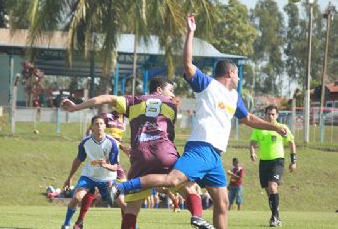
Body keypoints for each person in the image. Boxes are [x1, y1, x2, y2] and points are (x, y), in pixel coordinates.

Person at [107, 14, 288, 229]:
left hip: (215, 157)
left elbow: (248, 118)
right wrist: (190, 33)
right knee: (173, 181)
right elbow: (187, 64)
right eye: (237, 74)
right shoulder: (208, 85)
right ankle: (122, 188)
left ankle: (196, 216)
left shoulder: (234, 97)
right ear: (230, 72)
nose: (239, 78)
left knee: (222, 202)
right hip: (200, 149)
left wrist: (274, 126)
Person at [62, 76, 206, 229]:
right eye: (170, 90)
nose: (172, 95)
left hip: (140, 158)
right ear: (159, 90)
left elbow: (106, 98)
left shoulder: (133, 101)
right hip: (165, 155)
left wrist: (76, 107)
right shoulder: (171, 106)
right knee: (190, 187)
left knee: (132, 208)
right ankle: (197, 217)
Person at [61, 114, 124, 229]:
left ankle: (132, 226)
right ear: (92, 127)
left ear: (105, 126)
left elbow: (115, 167)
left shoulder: (112, 143)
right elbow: (79, 159)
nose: (99, 126)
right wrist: (69, 178)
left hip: (108, 179)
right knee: (77, 197)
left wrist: (105, 165)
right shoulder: (85, 142)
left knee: (122, 203)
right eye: (96, 124)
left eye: (101, 124)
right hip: (89, 176)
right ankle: (66, 224)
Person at [249, 105, 297, 227]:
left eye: (273, 114)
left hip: (277, 161)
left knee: (272, 186)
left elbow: (291, 142)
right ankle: (276, 216)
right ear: (265, 114)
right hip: (264, 162)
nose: (271, 116)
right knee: (268, 191)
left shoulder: (282, 128)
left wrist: (293, 161)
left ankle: (274, 217)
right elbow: (253, 142)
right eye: (268, 114)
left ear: (277, 115)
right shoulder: (259, 128)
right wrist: (252, 152)